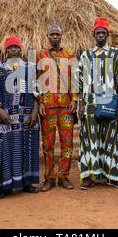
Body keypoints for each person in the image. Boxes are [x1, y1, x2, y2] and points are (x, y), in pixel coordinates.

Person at [0, 35, 40, 199]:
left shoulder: (30, 67)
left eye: (16, 47)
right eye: (10, 47)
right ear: (6, 50)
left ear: (20, 48)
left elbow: (37, 92)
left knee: (27, 149)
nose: (13, 49)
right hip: (5, 118)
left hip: (26, 117)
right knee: (5, 150)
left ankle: (27, 183)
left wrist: (35, 112)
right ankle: (5, 186)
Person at [77, 17, 118, 189]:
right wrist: (80, 104)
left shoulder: (116, 54)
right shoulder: (85, 55)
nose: (100, 36)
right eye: (97, 33)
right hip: (90, 104)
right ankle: (91, 176)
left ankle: (113, 175)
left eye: (103, 33)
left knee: (111, 138)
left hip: (110, 103)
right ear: (93, 34)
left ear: (107, 34)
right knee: (90, 139)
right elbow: (80, 82)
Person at [37, 23, 78, 191]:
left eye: (57, 34)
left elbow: (75, 78)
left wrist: (75, 100)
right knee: (47, 144)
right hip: (47, 106)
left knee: (67, 143)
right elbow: (37, 79)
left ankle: (63, 175)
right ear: (47, 36)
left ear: (61, 36)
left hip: (66, 106)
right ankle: (49, 177)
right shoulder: (41, 54)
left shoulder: (69, 54)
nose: (54, 37)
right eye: (52, 34)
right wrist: (39, 101)